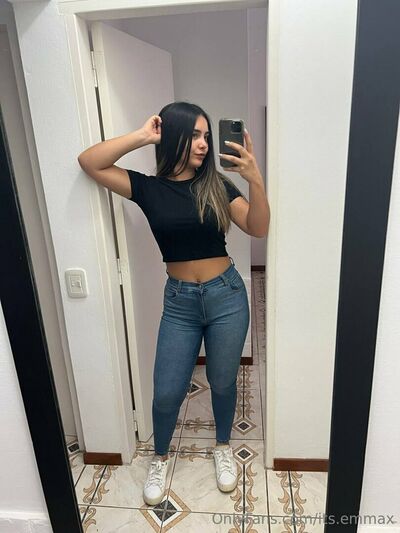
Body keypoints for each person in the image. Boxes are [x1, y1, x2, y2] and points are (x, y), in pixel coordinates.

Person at [77, 101, 270, 507]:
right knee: (166, 392)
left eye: (206, 136)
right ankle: (160, 457)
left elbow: (258, 227)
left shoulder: (217, 185)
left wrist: (255, 179)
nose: (204, 144)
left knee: (222, 381)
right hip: (180, 303)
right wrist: (142, 136)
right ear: (174, 136)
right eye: (195, 135)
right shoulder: (149, 188)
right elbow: (90, 162)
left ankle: (222, 447)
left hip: (227, 296)